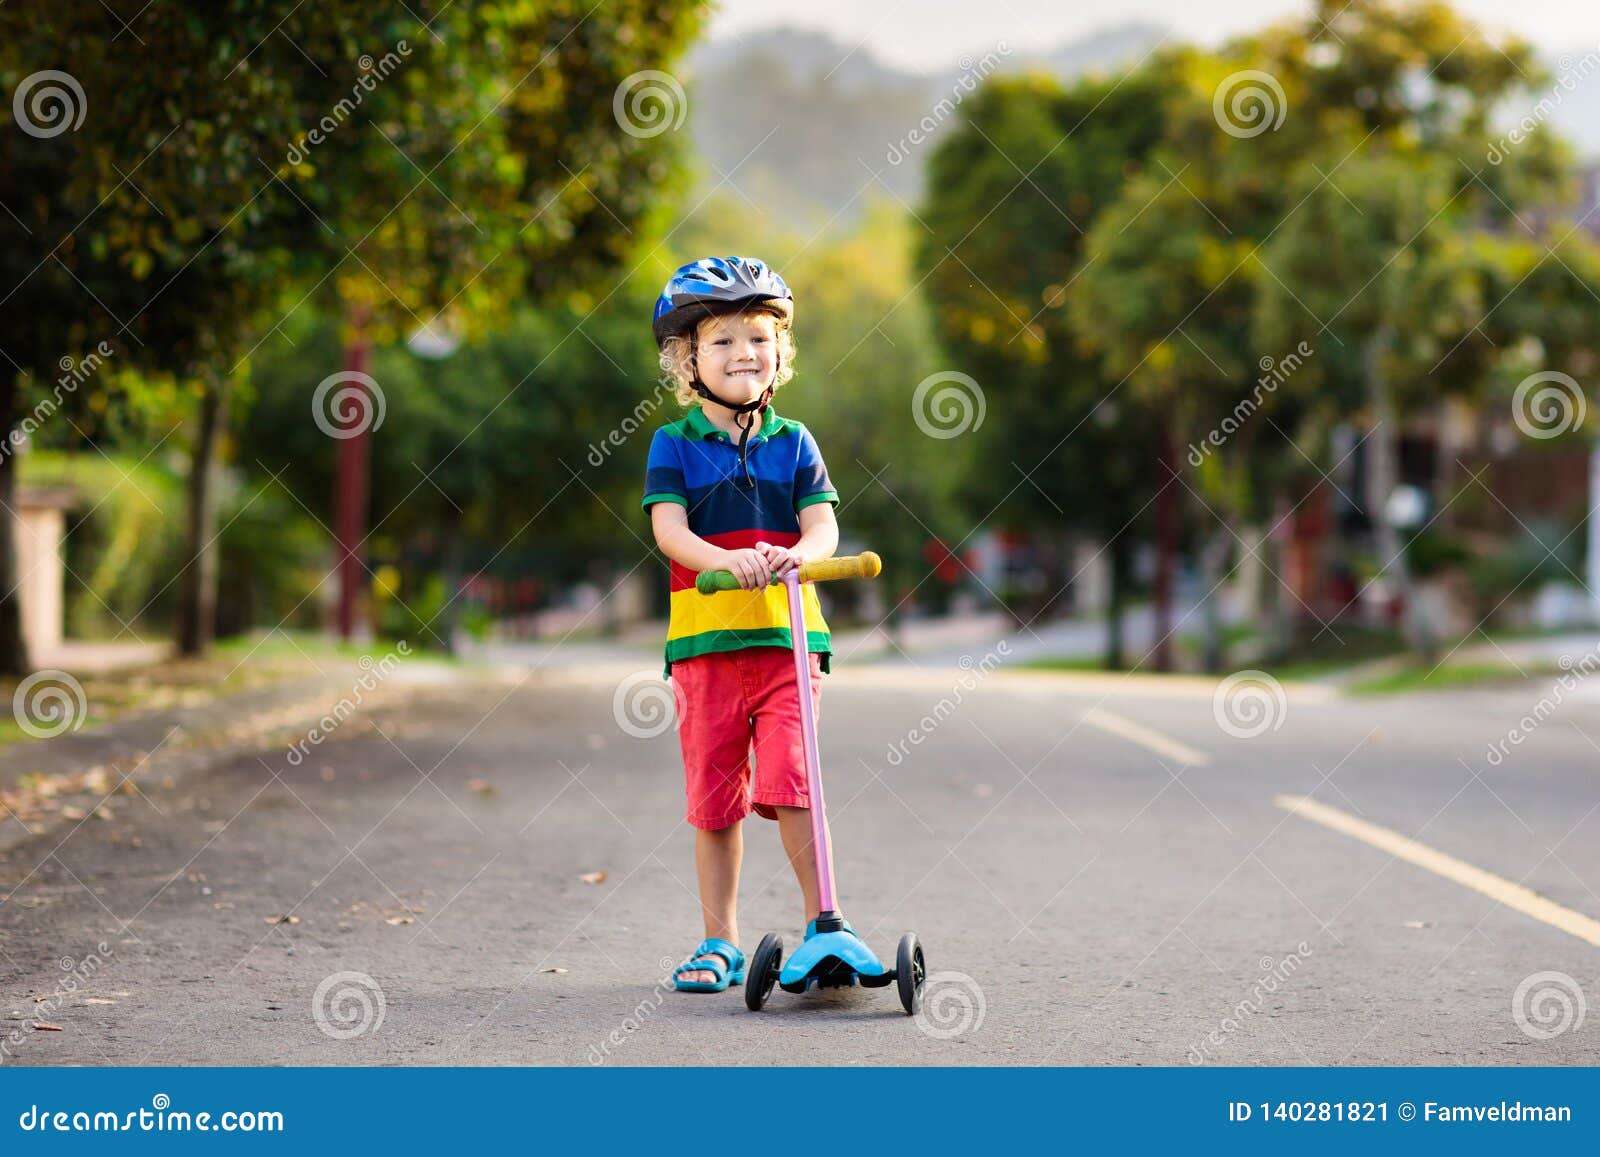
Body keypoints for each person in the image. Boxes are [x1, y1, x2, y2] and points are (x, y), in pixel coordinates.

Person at [641, 256, 840, 992]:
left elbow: (822, 529)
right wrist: (725, 564)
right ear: (687, 358)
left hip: (789, 642)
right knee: (715, 795)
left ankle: (826, 925)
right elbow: (671, 532)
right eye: (722, 340)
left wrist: (791, 557)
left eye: (758, 337)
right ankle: (718, 940)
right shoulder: (673, 444)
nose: (743, 354)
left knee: (796, 781)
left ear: (779, 352)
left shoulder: (796, 442)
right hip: (706, 645)